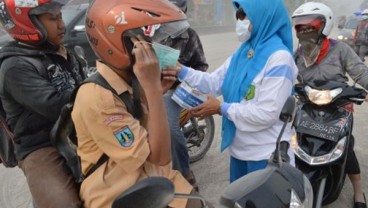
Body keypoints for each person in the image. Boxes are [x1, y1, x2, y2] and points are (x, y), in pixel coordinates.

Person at [71, 0, 212, 207]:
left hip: (145, 177)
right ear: (123, 44)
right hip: (118, 191)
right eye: (147, 40)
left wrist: (153, 90)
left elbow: (149, 136)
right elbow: (160, 158)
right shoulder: (100, 98)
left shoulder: (127, 82)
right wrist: (154, 91)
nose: (156, 46)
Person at [164, 0, 298, 183]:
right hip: (239, 150)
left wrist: (221, 108)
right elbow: (213, 82)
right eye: (237, 15)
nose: (239, 21)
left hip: (265, 155)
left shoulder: (279, 59)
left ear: (263, 17)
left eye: (244, 15)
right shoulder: (243, 52)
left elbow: (267, 113)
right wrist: (182, 70)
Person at [0, 0, 85, 207]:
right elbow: (55, 106)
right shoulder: (15, 66)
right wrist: (99, 88)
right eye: (53, 18)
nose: (62, 25)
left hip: (77, 131)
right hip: (41, 145)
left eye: (60, 17)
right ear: (26, 22)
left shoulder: (61, 51)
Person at [292, 2, 367, 208]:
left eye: (310, 26)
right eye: (300, 27)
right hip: (308, 108)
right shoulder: (298, 55)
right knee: (296, 145)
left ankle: (359, 194)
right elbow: (286, 77)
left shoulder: (340, 49)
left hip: (339, 109)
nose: (304, 31)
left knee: (346, 148)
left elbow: (360, 72)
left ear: (323, 26)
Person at [163, 0, 209, 190]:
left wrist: (181, 74)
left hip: (176, 90)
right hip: (150, 87)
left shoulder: (190, 36)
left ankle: (185, 173)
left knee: (169, 129)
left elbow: (202, 67)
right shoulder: (151, 33)